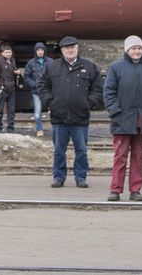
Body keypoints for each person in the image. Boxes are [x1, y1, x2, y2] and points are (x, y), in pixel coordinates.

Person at [38, 36, 103, 188]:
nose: (70, 50)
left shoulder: (90, 67)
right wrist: (49, 102)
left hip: (80, 117)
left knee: (81, 150)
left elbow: (98, 88)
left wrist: (89, 104)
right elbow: (42, 85)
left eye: (72, 47)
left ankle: (81, 177)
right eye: (67, 48)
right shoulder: (52, 67)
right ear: (62, 51)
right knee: (59, 150)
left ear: (77, 48)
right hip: (59, 117)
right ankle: (59, 177)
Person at [103, 35, 142, 201]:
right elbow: (109, 92)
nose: (136, 51)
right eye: (133, 48)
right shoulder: (116, 68)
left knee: (138, 156)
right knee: (120, 155)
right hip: (122, 119)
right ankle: (115, 189)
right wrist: (115, 111)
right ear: (127, 50)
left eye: (139, 48)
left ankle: (135, 190)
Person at [22, 42, 50, 137]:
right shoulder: (31, 63)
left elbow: (56, 75)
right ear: (35, 52)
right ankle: (39, 129)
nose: (40, 52)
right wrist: (34, 85)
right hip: (36, 91)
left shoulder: (51, 62)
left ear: (44, 51)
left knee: (54, 109)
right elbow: (26, 77)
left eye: (42, 50)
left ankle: (56, 128)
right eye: (38, 50)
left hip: (49, 91)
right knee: (38, 110)